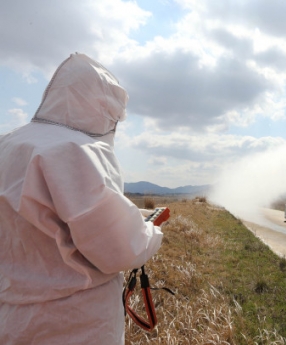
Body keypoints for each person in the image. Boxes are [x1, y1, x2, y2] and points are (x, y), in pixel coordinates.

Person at [0, 53, 164, 344]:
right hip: (75, 324)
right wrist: (152, 232)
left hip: (12, 318)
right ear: (103, 108)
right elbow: (120, 248)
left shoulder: (8, 143)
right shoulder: (77, 151)